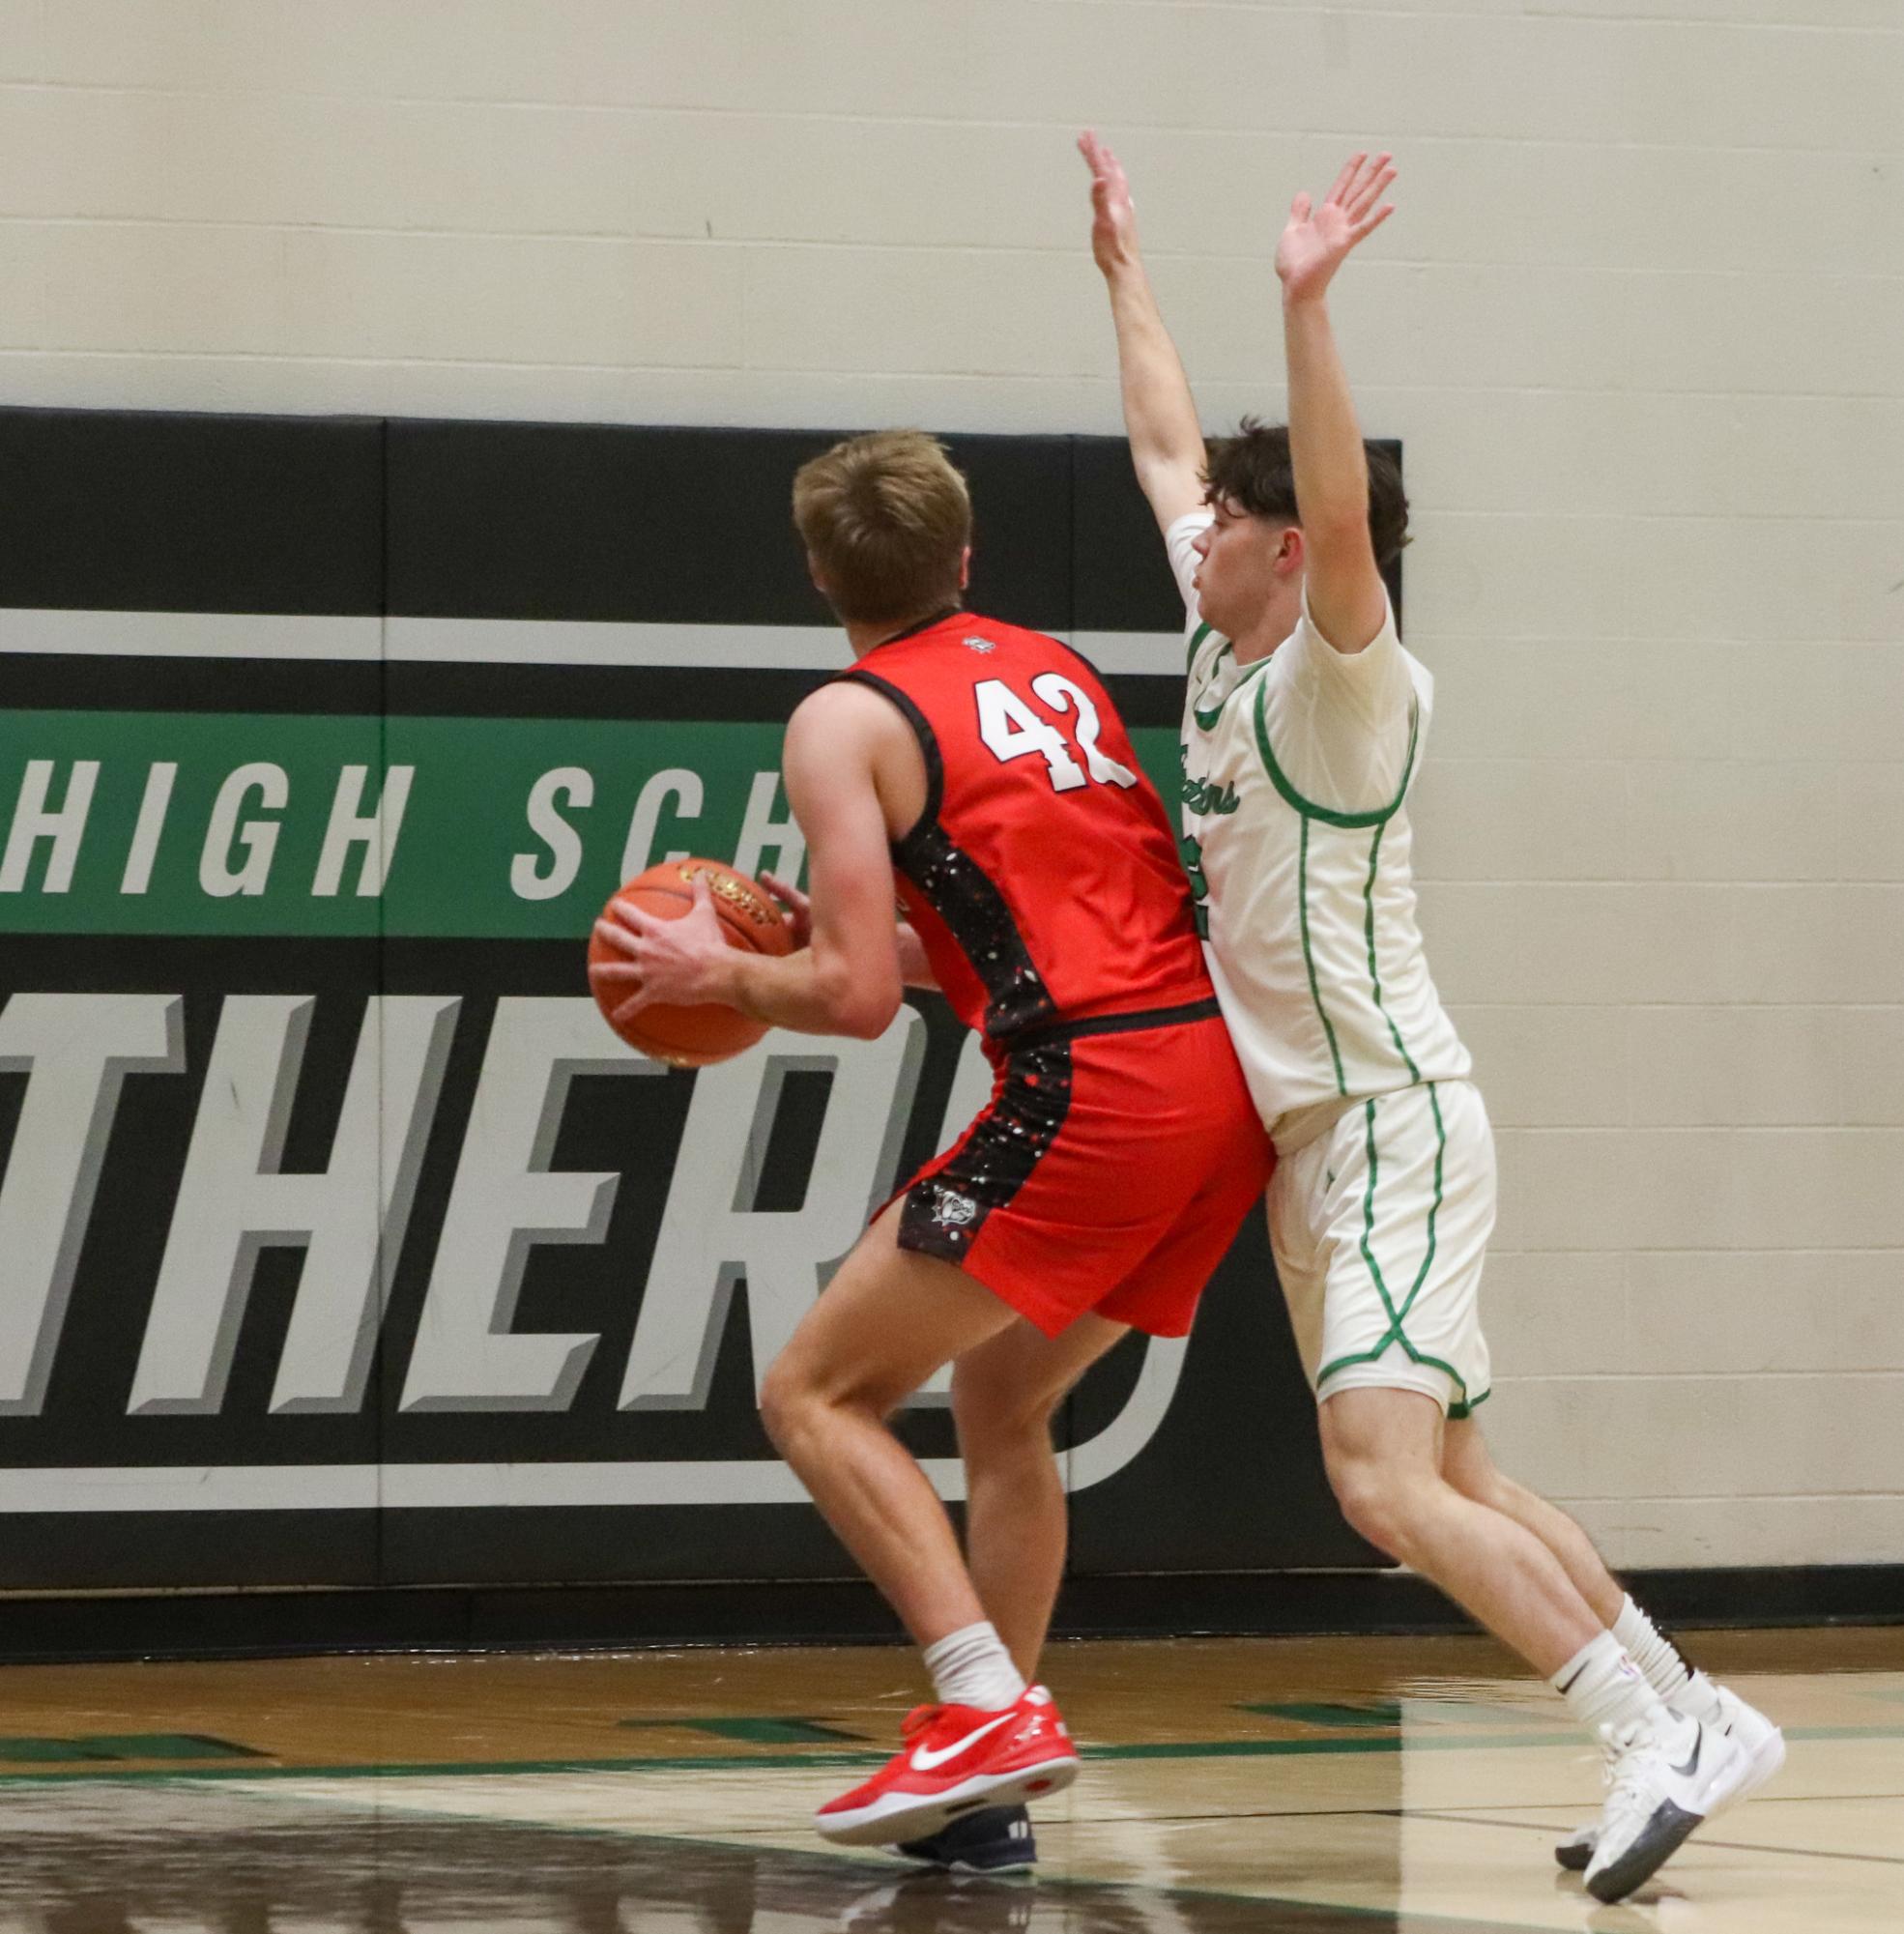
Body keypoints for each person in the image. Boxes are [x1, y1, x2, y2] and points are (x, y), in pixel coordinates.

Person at [1080, 131, 1783, 1905]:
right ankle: (1696, 1702)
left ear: (1293, 547)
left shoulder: (1341, 678)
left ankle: (1645, 1727)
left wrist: (1305, 307)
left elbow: (1319, 491)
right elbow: (1170, 437)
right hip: (1331, 1136)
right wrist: (1121, 271)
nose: (1197, 528)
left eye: (1233, 522)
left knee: (1380, 1485)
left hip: (1383, 1112)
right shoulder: (1220, 635)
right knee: (1461, 1465)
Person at [591, 427, 1270, 1865]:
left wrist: (724, 978)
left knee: (814, 1391)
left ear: (818, 572)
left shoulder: (843, 719)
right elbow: (986, 933)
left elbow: (844, 1002)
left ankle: (981, 1702)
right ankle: (989, 1785)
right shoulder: (1050, 663)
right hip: (1212, 1079)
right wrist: (830, 942)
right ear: (963, 555)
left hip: (1095, 1086)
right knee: (1001, 1402)